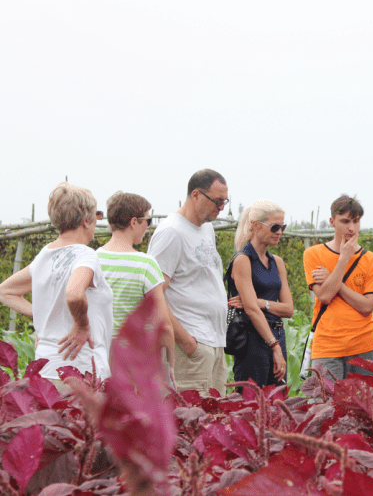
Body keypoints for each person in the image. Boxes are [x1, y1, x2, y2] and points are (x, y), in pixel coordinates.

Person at [0, 183, 113, 392]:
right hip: (80, 372)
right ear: (86, 221)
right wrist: (81, 325)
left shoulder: (43, 256)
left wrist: (42, 316)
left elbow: (5, 291)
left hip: (45, 372)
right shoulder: (86, 255)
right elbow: (74, 294)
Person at [147, 169, 229, 396]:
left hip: (213, 343)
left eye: (225, 202)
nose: (221, 208)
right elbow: (153, 294)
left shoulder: (207, 229)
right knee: (189, 422)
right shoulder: (172, 232)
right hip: (191, 348)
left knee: (214, 420)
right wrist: (188, 343)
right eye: (217, 201)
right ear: (195, 195)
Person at [97, 191, 176, 386]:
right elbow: (163, 323)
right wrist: (171, 364)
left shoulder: (93, 260)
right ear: (134, 222)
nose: (147, 228)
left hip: (100, 354)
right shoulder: (146, 264)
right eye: (147, 222)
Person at [303, 194, 373, 380]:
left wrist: (332, 279)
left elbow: (366, 306)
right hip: (327, 346)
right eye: (345, 221)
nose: (351, 228)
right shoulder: (313, 254)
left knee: (363, 405)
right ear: (332, 222)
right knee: (324, 405)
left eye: (356, 221)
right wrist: (344, 258)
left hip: (364, 345)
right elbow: (324, 296)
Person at [225, 200, 293, 388]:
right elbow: (251, 311)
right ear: (255, 225)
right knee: (252, 403)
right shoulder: (242, 260)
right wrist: (274, 346)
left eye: (283, 227)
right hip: (252, 340)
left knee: (278, 403)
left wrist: (261, 302)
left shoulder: (277, 262)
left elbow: (289, 309)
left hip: (277, 333)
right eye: (275, 227)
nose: (279, 232)